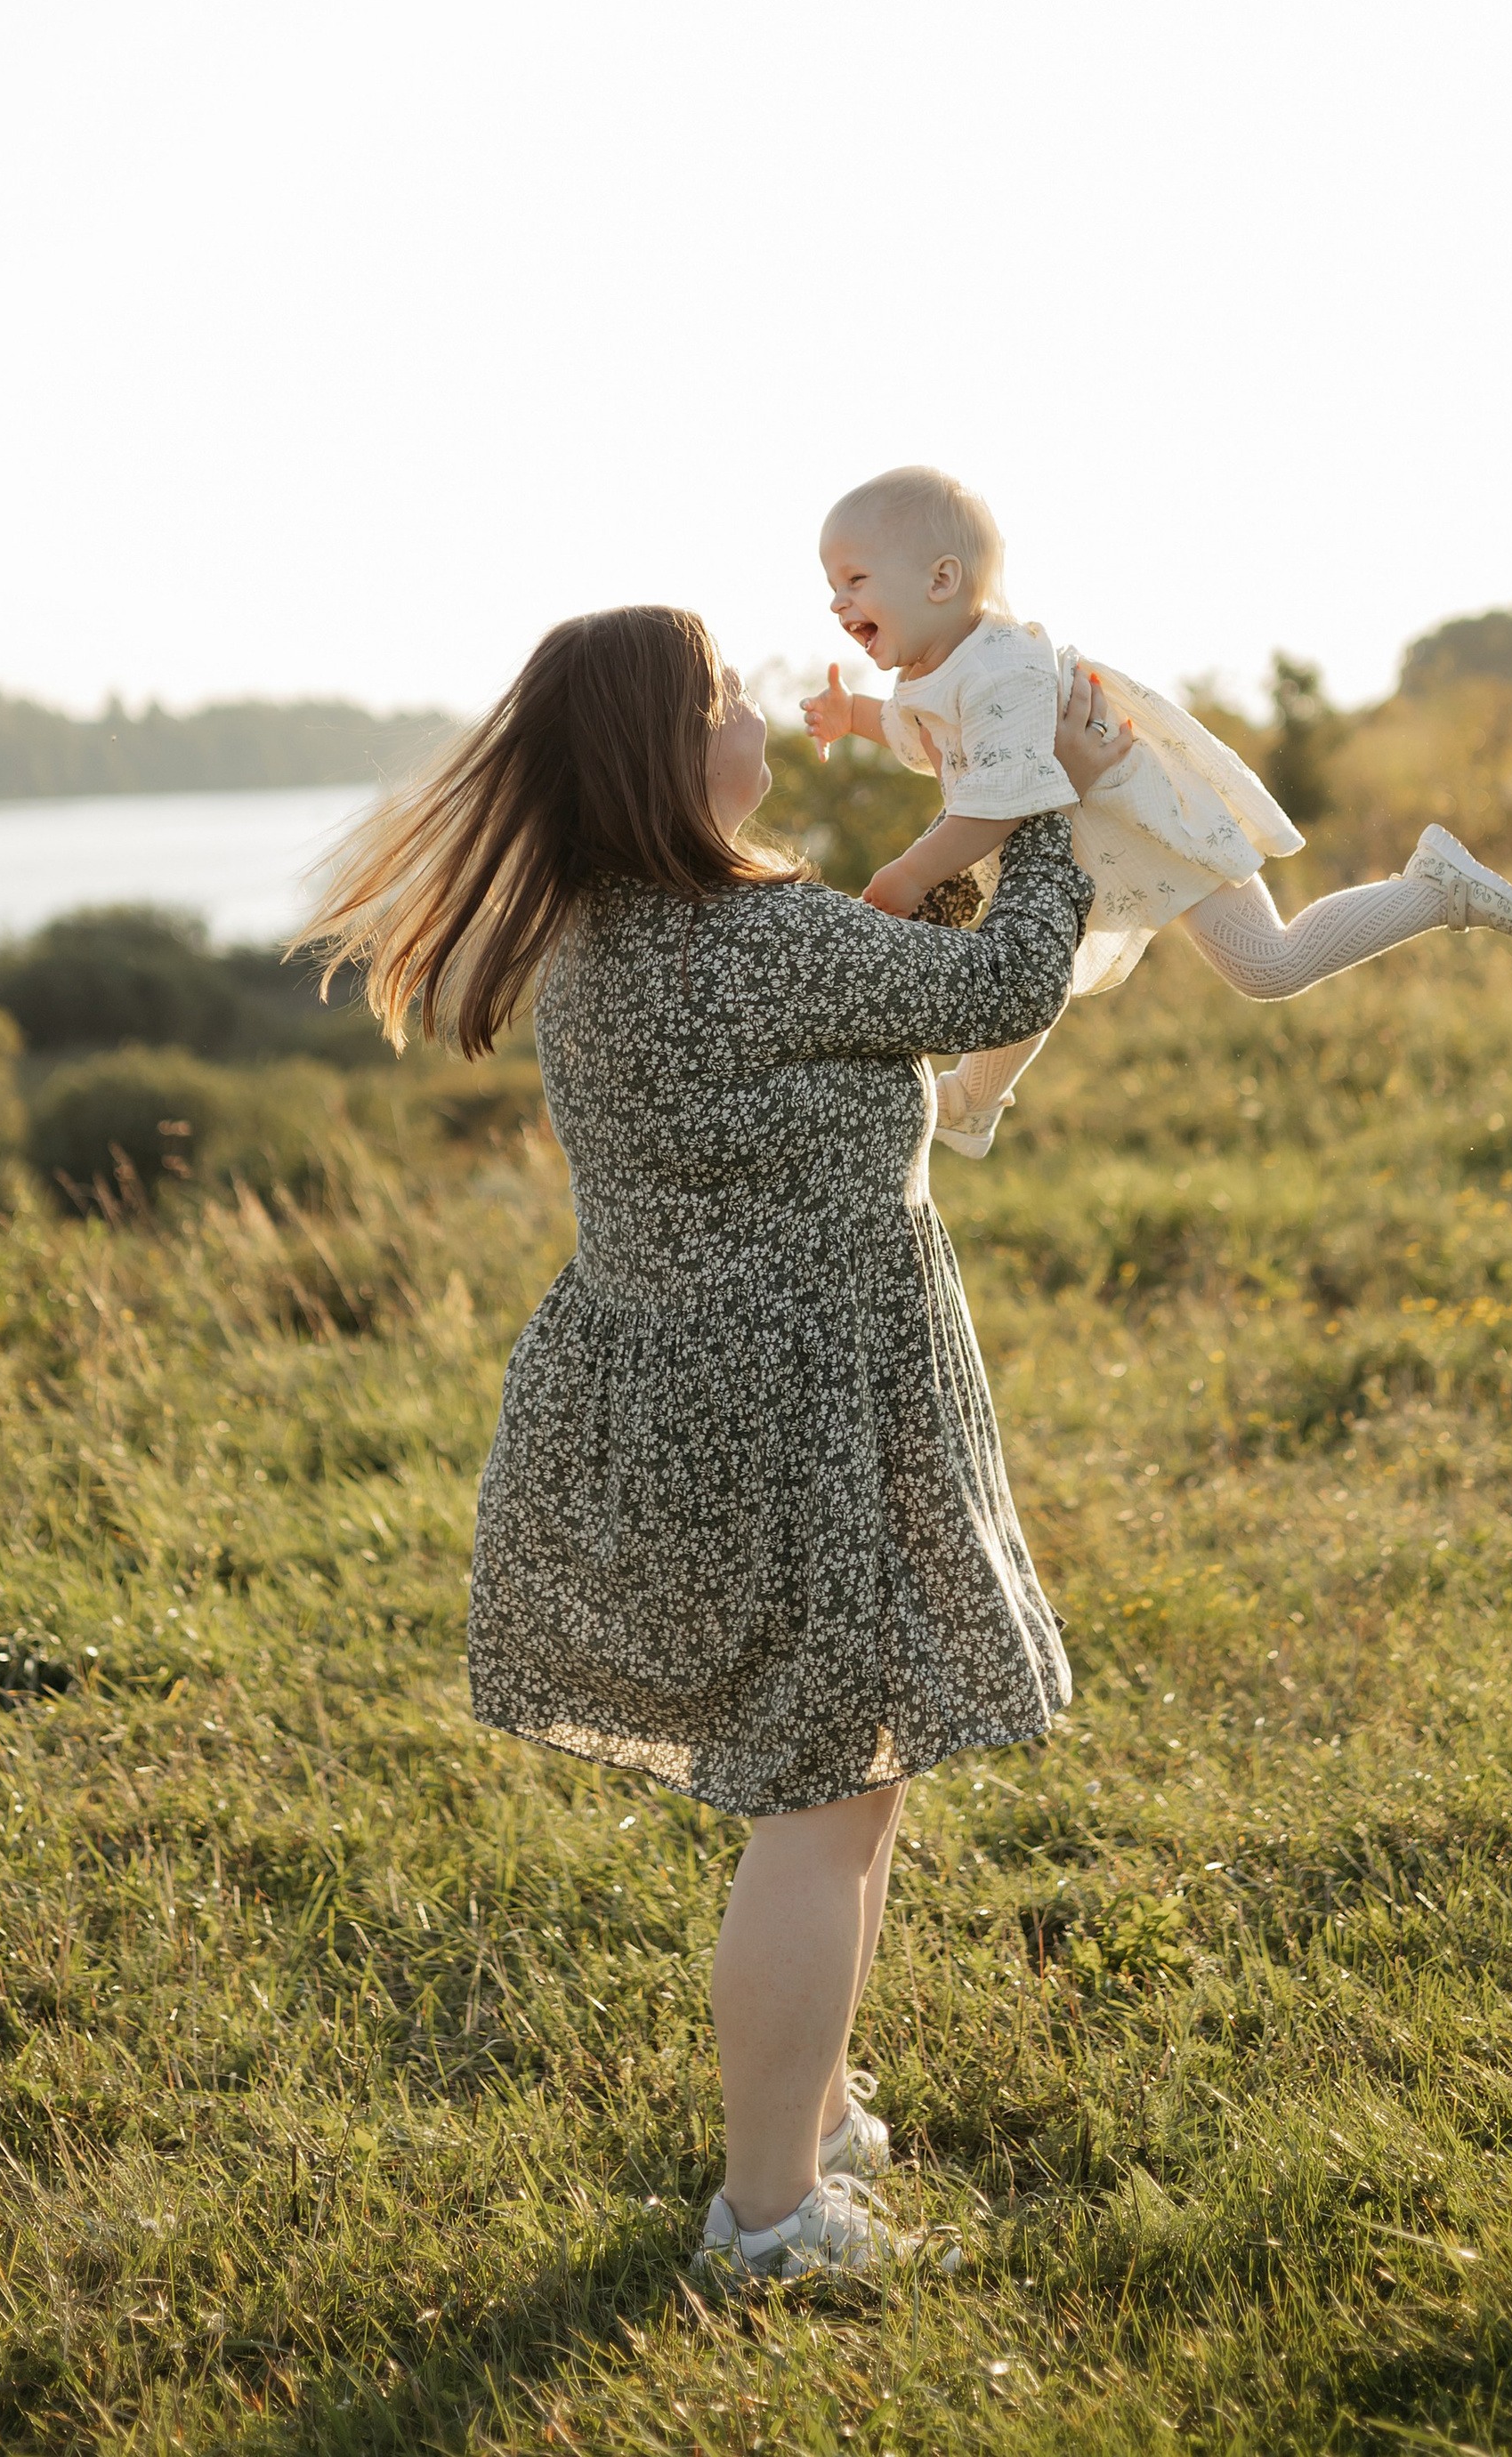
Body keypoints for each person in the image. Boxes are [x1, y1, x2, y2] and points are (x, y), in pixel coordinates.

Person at [297, 603, 1133, 2290]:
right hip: (791, 1411)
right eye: (727, 698)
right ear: (672, 756)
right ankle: (769, 2216)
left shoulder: (624, 934)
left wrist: (966, 839)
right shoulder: (753, 939)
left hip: (708, 1397)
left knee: (850, 1779)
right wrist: (1042, 798)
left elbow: (891, 995)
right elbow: (1001, 988)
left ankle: (814, 2117)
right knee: (820, 1801)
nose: (755, 711)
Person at [803, 465, 1512, 1159]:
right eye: (833, 585)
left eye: (855, 580)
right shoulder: (932, 671)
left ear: (940, 580)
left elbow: (999, 804)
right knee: (1027, 963)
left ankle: (1432, 890)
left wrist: (911, 873)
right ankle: (971, 1099)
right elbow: (923, 738)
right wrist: (852, 715)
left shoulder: (1001, 668)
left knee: (1266, 965)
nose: (838, 602)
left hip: (1146, 827)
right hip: (1080, 847)